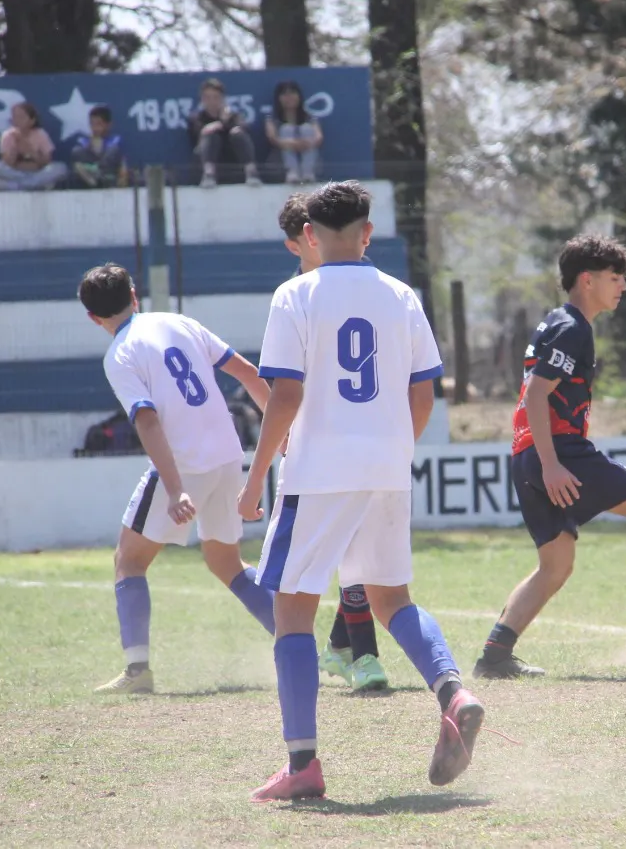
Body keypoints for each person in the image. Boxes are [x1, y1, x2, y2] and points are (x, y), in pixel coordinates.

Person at [237, 181, 485, 801]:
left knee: (292, 611)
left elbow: (285, 394)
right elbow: (424, 392)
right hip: (386, 467)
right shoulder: (401, 295)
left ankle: (302, 765)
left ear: (310, 235)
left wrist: (255, 475)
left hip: (319, 471)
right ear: (368, 233)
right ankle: (454, 692)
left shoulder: (295, 294)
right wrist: (392, 450)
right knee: (392, 598)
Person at [473, 234, 626, 680]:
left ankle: (495, 655)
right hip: (558, 453)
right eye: (614, 277)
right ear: (587, 280)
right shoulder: (573, 328)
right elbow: (536, 395)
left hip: (527, 455)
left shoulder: (557, 322)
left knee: (555, 567)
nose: (623, 286)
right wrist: (552, 465)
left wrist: (541, 462)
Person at [78, 263, 279, 694]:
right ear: (134, 296)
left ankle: (137, 672)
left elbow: (147, 422)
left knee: (129, 560)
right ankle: (297, 640)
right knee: (226, 564)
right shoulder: (178, 322)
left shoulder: (120, 355)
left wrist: (174, 490)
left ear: (93, 318)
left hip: (185, 465)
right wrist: (284, 435)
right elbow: (248, 372)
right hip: (228, 456)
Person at [276, 193, 389, 693]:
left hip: (358, 446)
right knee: (342, 560)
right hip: (315, 453)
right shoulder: (296, 297)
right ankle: (358, 655)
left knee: (360, 557)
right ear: (300, 242)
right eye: (310, 233)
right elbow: (285, 384)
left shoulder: (362, 287)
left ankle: (349, 651)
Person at [187, 77, 260, 187]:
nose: (212, 102)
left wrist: (226, 122)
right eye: (207, 98)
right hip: (205, 162)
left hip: (231, 162)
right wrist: (220, 123)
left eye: (215, 97)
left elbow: (244, 129)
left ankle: (251, 172)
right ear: (202, 99)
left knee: (238, 134)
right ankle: (209, 175)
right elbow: (199, 134)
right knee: (211, 135)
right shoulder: (196, 118)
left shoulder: (233, 116)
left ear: (222, 99)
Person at [0, 102, 67, 191]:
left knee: (60, 168)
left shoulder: (40, 134)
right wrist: (17, 147)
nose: (16, 120)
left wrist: (31, 152)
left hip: (37, 173)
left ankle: (26, 184)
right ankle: (31, 184)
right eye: (14, 117)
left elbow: (46, 161)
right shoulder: (7, 135)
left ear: (32, 120)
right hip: (16, 174)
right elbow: (8, 162)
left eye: (21, 117)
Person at [264, 80, 323, 184]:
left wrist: (306, 143)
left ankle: (308, 173)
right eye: (285, 94)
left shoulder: (309, 117)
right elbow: (272, 137)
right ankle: (292, 172)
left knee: (306, 128)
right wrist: (290, 143)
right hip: (280, 165)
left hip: (308, 157)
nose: (289, 97)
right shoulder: (272, 118)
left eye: (292, 93)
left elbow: (319, 137)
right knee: (286, 129)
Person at [71, 105, 127, 189]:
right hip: (90, 173)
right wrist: (91, 145)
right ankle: (94, 182)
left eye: (99, 124)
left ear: (108, 125)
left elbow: (121, 163)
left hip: (108, 176)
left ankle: (101, 179)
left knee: (113, 150)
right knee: (76, 151)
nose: (95, 128)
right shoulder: (83, 141)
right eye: (92, 124)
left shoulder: (115, 140)